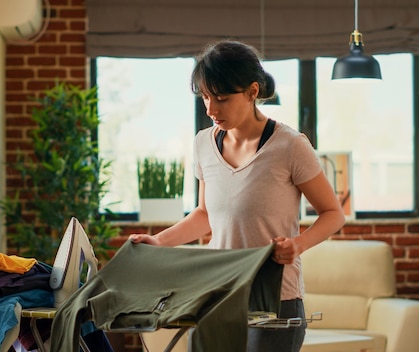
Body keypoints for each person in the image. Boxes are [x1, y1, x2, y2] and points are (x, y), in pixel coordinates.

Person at [129, 40, 345, 352]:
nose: (210, 109)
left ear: (252, 92)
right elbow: (205, 215)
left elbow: (332, 213)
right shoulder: (204, 143)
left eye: (221, 98)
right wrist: (159, 242)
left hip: (275, 300)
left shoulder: (291, 146)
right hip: (218, 294)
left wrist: (297, 245)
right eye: (205, 97)